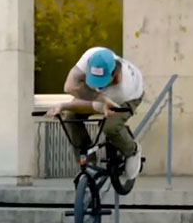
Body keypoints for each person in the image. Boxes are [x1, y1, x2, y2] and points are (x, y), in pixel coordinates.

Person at [46, 46, 146, 180]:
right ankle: (88, 161)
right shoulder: (92, 54)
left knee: (110, 127)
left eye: (102, 82)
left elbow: (91, 106)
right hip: (106, 95)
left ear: (114, 75)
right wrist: (67, 107)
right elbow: (69, 86)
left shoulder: (122, 88)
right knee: (70, 117)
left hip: (131, 97)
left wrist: (63, 106)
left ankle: (132, 150)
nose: (99, 86)